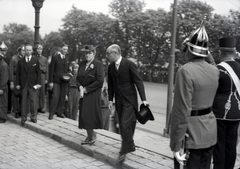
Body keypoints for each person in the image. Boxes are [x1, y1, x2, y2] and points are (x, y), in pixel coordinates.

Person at [169, 21, 219, 169]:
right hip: (209, 132)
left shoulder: (186, 71)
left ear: (189, 50)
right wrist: (206, 51)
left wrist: (176, 144)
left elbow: (181, 111)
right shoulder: (214, 71)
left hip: (191, 136)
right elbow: (214, 65)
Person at [106, 44, 148, 163]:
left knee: (124, 124)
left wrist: (143, 99)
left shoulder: (129, 64)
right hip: (119, 101)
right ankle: (130, 144)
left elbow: (138, 82)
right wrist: (110, 100)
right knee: (126, 124)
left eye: (108, 53)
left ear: (115, 53)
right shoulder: (110, 68)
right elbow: (110, 85)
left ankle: (124, 151)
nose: (107, 56)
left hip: (130, 100)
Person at [212, 37, 240, 169]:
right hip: (237, 113)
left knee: (219, 146)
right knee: (231, 145)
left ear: (220, 52)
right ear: (234, 52)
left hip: (219, 113)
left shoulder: (217, 69)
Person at [77, 45, 104, 145]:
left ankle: (92, 136)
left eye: (89, 53)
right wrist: (79, 86)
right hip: (82, 93)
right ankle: (90, 135)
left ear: (94, 53)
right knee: (84, 115)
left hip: (92, 93)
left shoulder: (98, 64)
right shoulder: (82, 64)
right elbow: (78, 78)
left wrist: (87, 89)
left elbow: (100, 81)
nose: (87, 55)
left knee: (89, 115)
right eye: (85, 53)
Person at [15, 44, 41, 124]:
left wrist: (38, 83)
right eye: (26, 50)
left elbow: (38, 73)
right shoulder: (20, 61)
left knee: (33, 102)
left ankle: (33, 117)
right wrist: (17, 84)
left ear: (32, 51)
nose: (28, 51)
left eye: (30, 50)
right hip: (23, 84)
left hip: (33, 84)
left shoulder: (35, 61)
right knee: (24, 102)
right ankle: (23, 117)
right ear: (24, 51)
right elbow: (18, 73)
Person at [48, 43, 70, 120]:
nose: (65, 51)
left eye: (66, 49)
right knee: (55, 97)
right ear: (61, 49)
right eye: (64, 49)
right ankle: (51, 113)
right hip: (56, 80)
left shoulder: (67, 59)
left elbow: (67, 69)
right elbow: (51, 70)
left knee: (62, 97)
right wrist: (51, 82)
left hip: (64, 81)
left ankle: (60, 112)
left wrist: (69, 73)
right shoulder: (55, 57)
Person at [9, 45, 25, 118]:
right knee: (15, 95)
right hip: (15, 78)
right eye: (23, 50)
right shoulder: (14, 59)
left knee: (23, 95)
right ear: (19, 51)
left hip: (23, 79)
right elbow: (11, 71)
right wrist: (11, 82)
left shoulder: (26, 59)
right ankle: (16, 111)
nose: (24, 52)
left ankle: (22, 110)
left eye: (25, 51)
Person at [34, 44, 48, 113]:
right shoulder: (33, 58)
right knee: (36, 91)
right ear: (36, 50)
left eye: (40, 49)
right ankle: (35, 107)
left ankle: (41, 107)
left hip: (42, 76)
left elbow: (47, 69)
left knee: (42, 92)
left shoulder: (44, 59)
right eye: (38, 49)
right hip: (35, 76)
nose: (39, 50)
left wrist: (46, 79)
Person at [0, 41, 9, 123]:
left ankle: (3, 118)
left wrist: (2, 88)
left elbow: (4, 78)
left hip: (2, 87)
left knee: (2, 103)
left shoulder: (4, 65)